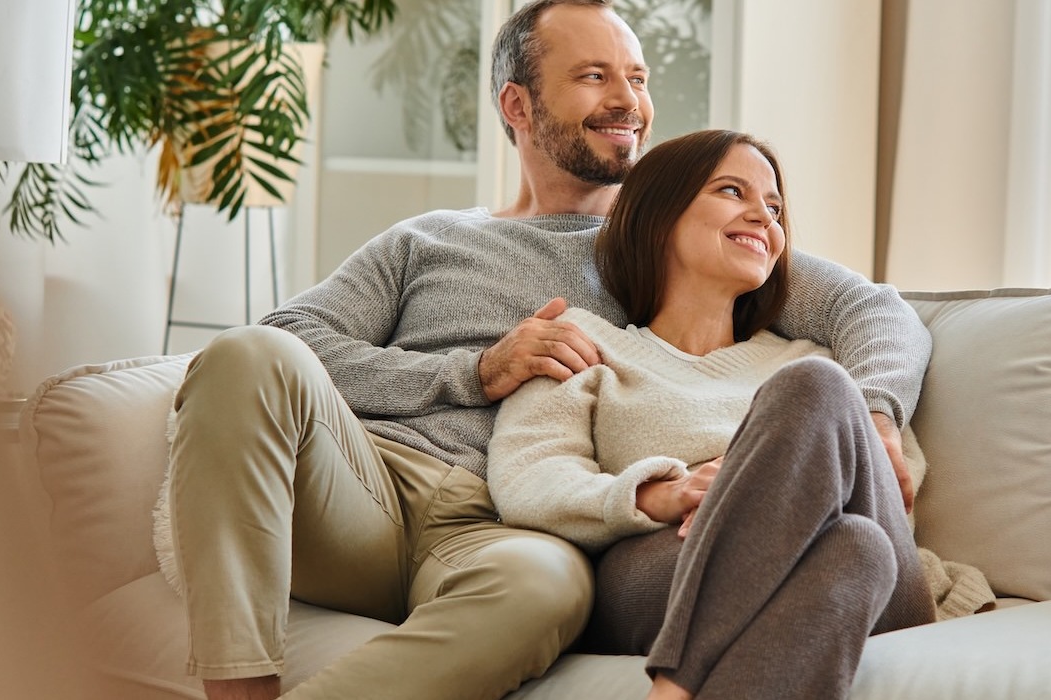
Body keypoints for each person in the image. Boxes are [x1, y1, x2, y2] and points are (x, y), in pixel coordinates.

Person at [161, 1, 932, 699]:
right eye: (595, 77)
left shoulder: (670, 242)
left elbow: (875, 313)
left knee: (548, 590)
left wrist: (879, 413)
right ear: (517, 105)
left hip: (501, 528)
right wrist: (473, 371)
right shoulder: (428, 240)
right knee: (246, 354)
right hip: (365, 486)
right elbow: (288, 338)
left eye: (636, 77)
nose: (629, 101)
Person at [487, 129, 936, 700]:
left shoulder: (817, 366)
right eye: (732, 191)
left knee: (816, 393)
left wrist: (757, 492)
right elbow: (527, 479)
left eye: (774, 208)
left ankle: (673, 687)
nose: (763, 218)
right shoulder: (584, 345)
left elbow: (893, 489)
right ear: (658, 214)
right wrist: (654, 493)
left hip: (885, 586)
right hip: (661, 568)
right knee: (853, 550)